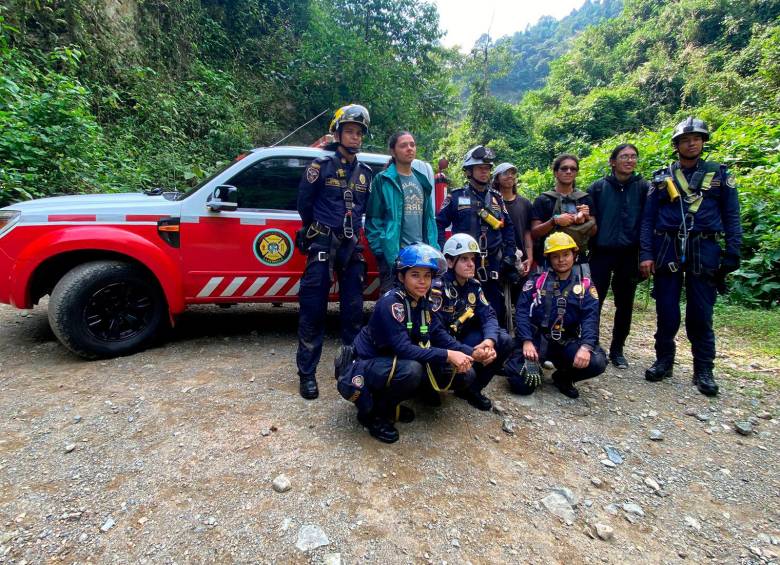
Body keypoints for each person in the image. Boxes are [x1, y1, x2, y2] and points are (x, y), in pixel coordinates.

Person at [640, 117, 742, 397]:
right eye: (686, 139)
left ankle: (704, 369)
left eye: (697, 138)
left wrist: (733, 251)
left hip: (705, 247)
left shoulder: (719, 175)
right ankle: (664, 360)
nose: (692, 142)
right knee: (667, 311)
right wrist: (646, 254)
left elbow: (732, 215)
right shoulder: (663, 177)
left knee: (701, 312)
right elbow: (648, 220)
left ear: (703, 142)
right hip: (667, 247)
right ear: (677, 145)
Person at [335, 244, 476, 443]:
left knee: (466, 374)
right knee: (412, 370)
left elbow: (438, 334)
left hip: (392, 361)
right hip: (367, 363)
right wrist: (448, 354)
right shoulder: (391, 303)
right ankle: (374, 415)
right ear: (401, 277)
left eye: (427, 276)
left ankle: (401, 399)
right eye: (415, 275)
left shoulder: (423, 300)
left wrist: (472, 353)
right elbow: (404, 348)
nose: (423, 282)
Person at [294, 104, 374, 400]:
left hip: (352, 250)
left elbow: (364, 210)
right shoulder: (319, 167)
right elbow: (304, 204)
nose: (354, 137)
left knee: (353, 314)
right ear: (337, 133)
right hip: (323, 246)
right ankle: (307, 374)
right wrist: (319, 231)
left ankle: (351, 370)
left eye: (358, 133)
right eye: (349, 131)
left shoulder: (366, 174)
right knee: (313, 311)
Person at [504, 232, 607, 399]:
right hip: (536, 340)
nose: (561, 260)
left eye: (566, 254)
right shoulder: (537, 280)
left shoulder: (585, 284)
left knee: (597, 361)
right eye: (556, 256)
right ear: (549, 258)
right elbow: (522, 311)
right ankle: (530, 364)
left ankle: (563, 378)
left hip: (565, 342)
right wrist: (526, 341)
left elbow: (591, 317)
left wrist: (586, 347)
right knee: (521, 385)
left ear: (574, 254)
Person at [436, 145, 519, 326]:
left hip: (493, 263)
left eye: (488, 168)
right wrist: (446, 252)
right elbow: (439, 224)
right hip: (465, 263)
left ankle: (495, 345)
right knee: (464, 309)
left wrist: (509, 256)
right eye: (480, 168)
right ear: (469, 171)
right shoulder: (456, 197)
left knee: (495, 309)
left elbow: (508, 229)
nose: (485, 172)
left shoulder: (497, 198)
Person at [432, 233, 514, 410]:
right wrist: (470, 352)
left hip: (462, 339)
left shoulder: (474, 286)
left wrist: (489, 341)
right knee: (461, 373)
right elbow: (436, 333)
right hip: (441, 347)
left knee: (505, 340)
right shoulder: (437, 288)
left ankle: (472, 390)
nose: (471, 264)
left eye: (473, 259)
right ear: (450, 262)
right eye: (464, 259)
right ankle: (427, 390)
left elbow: (489, 315)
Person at [587, 144, 650, 369]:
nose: (629, 161)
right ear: (612, 161)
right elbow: (589, 222)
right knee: (594, 301)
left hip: (629, 254)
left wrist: (646, 255)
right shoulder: (597, 188)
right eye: (624, 156)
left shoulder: (643, 188)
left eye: (633, 157)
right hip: (601, 253)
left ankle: (617, 349)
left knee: (625, 304)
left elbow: (647, 223)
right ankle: (591, 343)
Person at [366, 131, 439, 292]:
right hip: (394, 255)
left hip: (421, 256)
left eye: (412, 144)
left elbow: (429, 219)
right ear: (393, 151)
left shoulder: (422, 180)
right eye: (403, 145)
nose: (409, 148)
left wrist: (434, 248)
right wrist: (381, 250)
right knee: (391, 305)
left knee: (422, 305)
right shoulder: (383, 179)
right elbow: (373, 218)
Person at [530, 154, 596, 267]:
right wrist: (554, 221)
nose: (569, 171)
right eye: (564, 168)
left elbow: (594, 231)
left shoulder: (585, 198)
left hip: (579, 259)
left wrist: (587, 218)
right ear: (556, 172)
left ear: (576, 173)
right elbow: (534, 233)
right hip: (549, 260)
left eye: (573, 169)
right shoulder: (543, 200)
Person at [493, 162, 533, 277]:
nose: (510, 176)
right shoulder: (491, 203)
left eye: (513, 173)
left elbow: (527, 232)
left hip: (520, 260)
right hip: (497, 259)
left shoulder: (525, 203)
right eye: (505, 173)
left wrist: (529, 257)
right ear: (497, 178)